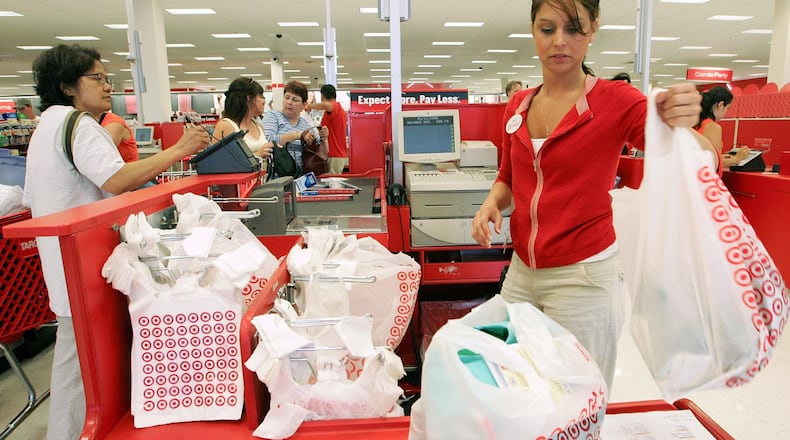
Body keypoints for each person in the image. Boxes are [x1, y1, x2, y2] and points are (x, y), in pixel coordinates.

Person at [470, 0, 716, 391]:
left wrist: (681, 121)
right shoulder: (518, 104)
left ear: (593, 29)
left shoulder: (616, 101)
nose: (560, 42)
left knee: (579, 396)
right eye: (548, 29)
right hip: (521, 273)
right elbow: (507, 177)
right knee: (516, 388)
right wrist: (490, 204)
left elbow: (704, 157)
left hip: (582, 277)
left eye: (574, 29)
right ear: (533, 30)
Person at [22, 44, 209, 440]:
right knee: (81, 369)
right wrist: (178, 149)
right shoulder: (79, 124)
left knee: (78, 362)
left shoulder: (46, 126)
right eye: (97, 78)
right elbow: (117, 180)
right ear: (66, 85)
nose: (108, 87)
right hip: (83, 262)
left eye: (108, 78)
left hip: (63, 263)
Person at [261, 80, 327, 175]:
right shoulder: (273, 116)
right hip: (277, 179)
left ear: (304, 105)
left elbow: (320, 151)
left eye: (295, 100)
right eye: (287, 97)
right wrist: (298, 135)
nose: (289, 102)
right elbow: (269, 141)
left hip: (301, 179)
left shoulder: (306, 125)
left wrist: (324, 139)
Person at [213, 77, 274, 160]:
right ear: (249, 98)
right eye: (261, 96)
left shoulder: (257, 125)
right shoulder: (226, 125)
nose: (264, 100)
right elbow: (219, 160)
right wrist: (257, 155)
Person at [696, 86, 749, 172]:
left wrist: (721, 156)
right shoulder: (712, 127)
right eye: (727, 108)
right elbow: (714, 163)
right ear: (720, 105)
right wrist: (737, 158)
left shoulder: (694, 124)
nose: (726, 113)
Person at [306, 84, 348, 174]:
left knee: (333, 184)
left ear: (322, 96)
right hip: (334, 154)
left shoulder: (335, 107)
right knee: (330, 183)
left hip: (335, 154)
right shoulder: (338, 111)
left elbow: (327, 105)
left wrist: (308, 106)